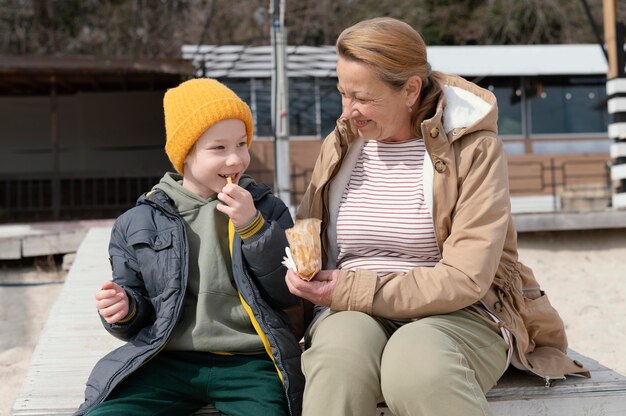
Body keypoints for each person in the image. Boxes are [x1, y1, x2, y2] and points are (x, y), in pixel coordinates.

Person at [284, 17, 590, 416]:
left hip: (459, 312)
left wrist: (353, 290)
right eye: (342, 93)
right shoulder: (340, 145)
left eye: (362, 98)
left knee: (416, 367)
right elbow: (311, 236)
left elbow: (466, 278)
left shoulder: (473, 149)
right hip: (349, 309)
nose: (348, 112)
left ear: (410, 89)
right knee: (339, 361)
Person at [76, 78, 304, 416]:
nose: (235, 160)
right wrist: (124, 308)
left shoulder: (268, 210)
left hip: (251, 361)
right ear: (185, 153)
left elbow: (288, 293)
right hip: (166, 359)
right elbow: (137, 307)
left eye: (241, 144)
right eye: (219, 148)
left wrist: (253, 228)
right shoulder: (139, 221)